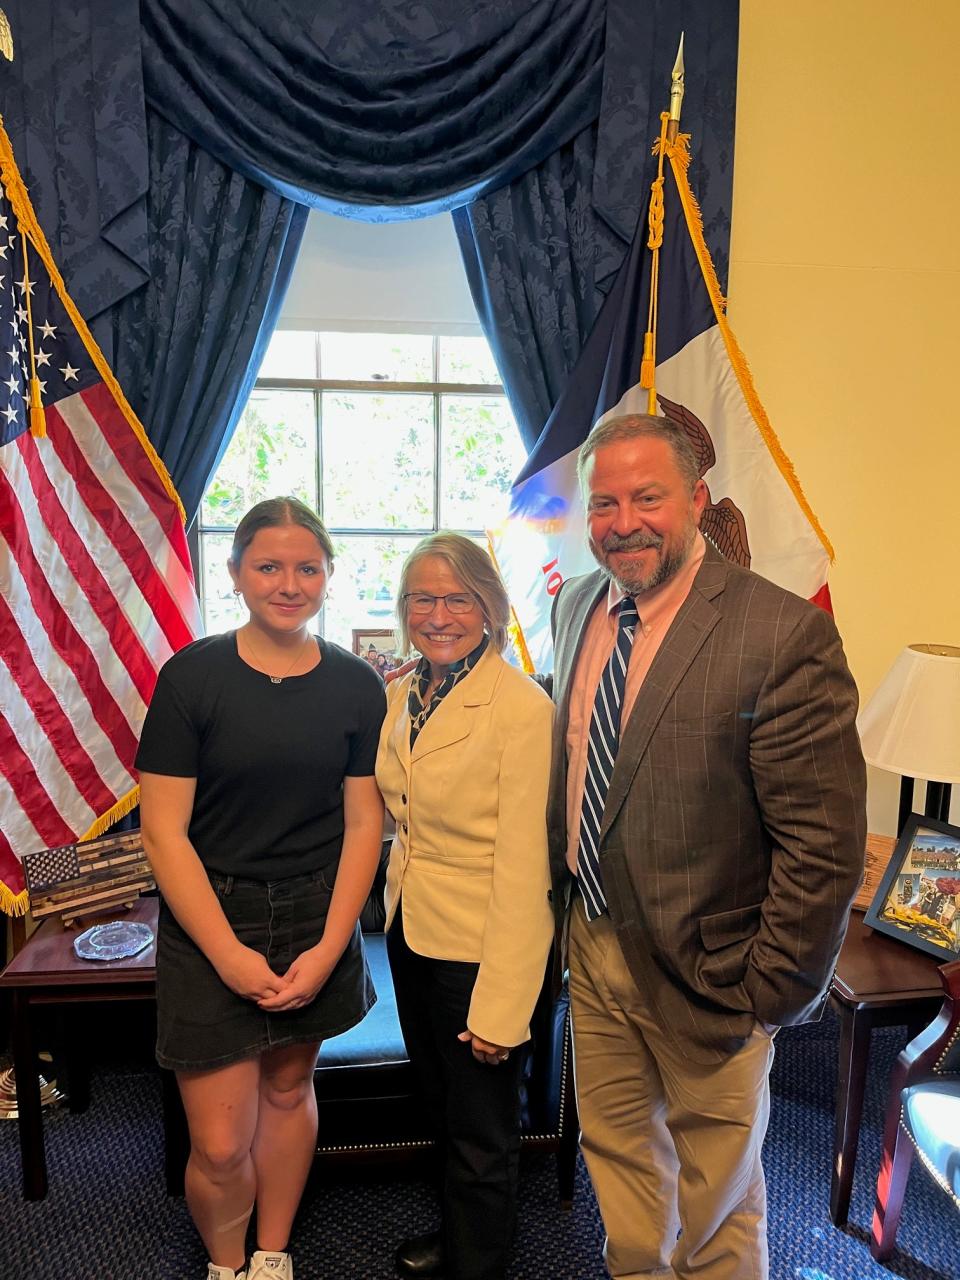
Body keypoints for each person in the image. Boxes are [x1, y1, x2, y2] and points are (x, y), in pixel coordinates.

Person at [547, 414, 866, 1280]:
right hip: (595, 948)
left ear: (694, 498)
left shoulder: (780, 633)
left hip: (717, 976)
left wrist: (769, 993)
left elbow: (823, 847)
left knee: (718, 1205)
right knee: (620, 1173)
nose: (623, 521)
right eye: (604, 502)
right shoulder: (576, 605)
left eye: (647, 497)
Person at [137, 497, 386, 1280]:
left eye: (306, 568)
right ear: (238, 574)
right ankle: (225, 1264)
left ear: (328, 577)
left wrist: (329, 946)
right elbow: (162, 834)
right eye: (269, 567)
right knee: (218, 1140)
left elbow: (362, 827)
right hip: (212, 915)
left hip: (317, 913)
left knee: (288, 1089)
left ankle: (272, 1255)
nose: (289, 584)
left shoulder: (356, 685)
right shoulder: (191, 677)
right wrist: (227, 954)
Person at [376, 533, 554, 1280]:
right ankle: (459, 1237)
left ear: (488, 606)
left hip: (485, 952)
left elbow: (526, 870)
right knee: (444, 1111)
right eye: (423, 597)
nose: (438, 613)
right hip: (415, 937)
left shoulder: (521, 708)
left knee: (483, 1132)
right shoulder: (402, 693)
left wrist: (502, 1007)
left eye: (457, 598)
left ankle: (478, 1266)